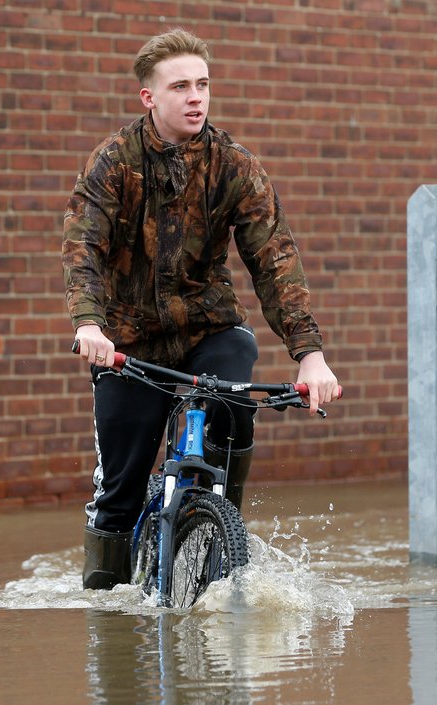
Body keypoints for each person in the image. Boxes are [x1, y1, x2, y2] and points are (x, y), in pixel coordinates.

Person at [62, 28, 340, 590]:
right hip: (127, 345)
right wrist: (89, 324)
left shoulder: (233, 165)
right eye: (181, 86)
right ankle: (106, 612)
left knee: (236, 385)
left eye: (203, 85)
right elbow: (82, 245)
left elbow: (274, 260)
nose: (196, 97)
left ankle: (222, 522)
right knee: (118, 491)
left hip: (209, 331)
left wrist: (310, 355)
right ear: (149, 97)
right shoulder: (114, 162)